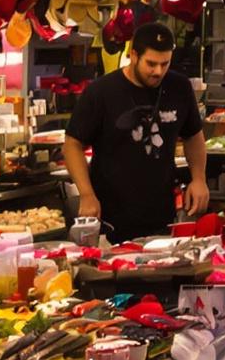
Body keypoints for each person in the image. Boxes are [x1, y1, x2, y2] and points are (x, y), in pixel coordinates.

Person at [66, 23, 207, 243]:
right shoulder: (102, 91)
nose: (158, 71)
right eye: (151, 64)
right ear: (133, 55)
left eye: (165, 63)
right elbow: (72, 143)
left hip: (162, 216)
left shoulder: (179, 87)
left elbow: (193, 136)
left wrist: (199, 179)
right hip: (110, 217)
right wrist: (86, 194)